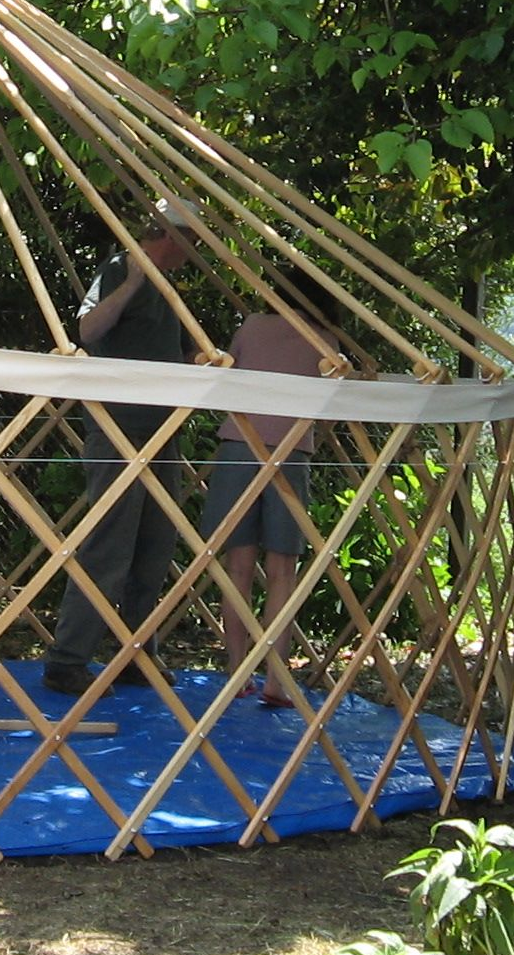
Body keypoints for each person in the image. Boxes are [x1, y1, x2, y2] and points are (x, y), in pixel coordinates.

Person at [43, 200, 198, 698]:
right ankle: (67, 660)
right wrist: (132, 282)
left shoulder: (170, 287)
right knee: (109, 540)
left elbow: (161, 349)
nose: (193, 253)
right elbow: (87, 331)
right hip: (117, 428)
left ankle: (136, 653)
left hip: (161, 429)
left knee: (155, 543)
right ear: (172, 237)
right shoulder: (119, 268)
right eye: (191, 241)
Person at [200, 268, 337, 707]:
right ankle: (277, 678)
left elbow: (228, 382)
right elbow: (329, 413)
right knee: (283, 571)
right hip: (292, 453)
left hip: (239, 447)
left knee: (238, 567)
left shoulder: (253, 327)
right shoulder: (325, 342)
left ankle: (238, 672)